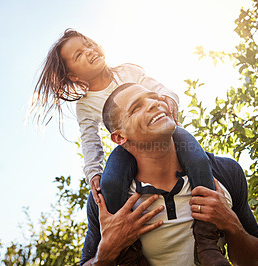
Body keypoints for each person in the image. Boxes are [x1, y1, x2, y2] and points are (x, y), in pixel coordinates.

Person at [31, 29, 227, 265]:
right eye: (79, 54)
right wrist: (93, 172)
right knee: (110, 183)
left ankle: (206, 238)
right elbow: (90, 140)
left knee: (198, 160)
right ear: (73, 76)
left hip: (168, 133)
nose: (90, 51)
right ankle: (128, 251)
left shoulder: (128, 71)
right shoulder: (84, 105)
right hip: (128, 149)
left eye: (89, 44)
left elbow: (161, 89)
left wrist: (167, 102)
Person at [80, 83, 258, 265]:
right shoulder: (104, 201)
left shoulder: (225, 172)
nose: (154, 103)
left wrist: (231, 224)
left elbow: (251, 260)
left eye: (153, 97)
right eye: (137, 107)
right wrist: (104, 255)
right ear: (120, 137)